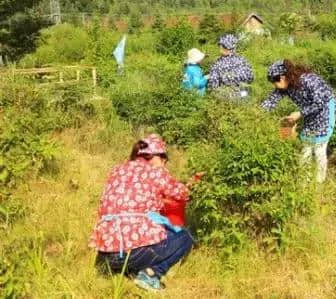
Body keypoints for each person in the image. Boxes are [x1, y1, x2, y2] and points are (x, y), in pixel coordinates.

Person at [90, 134, 194, 291]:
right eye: (164, 160)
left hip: (106, 256)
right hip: (133, 253)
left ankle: (127, 270)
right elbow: (182, 194)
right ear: (155, 156)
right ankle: (151, 275)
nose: (164, 165)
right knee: (184, 237)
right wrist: (191, 186)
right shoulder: (155, 172)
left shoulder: (117, 170)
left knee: (149, 232)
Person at [261, 60, 336, 183]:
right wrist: (257, 114)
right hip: (310, 112)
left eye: (274, 81)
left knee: (319, 149)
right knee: (306, 147)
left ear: (281, 77)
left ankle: (319, 184)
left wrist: (300, 113)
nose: (274, 85)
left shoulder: (308, 80)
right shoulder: (285, 86)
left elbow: (320, 102)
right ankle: (304, 183)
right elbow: (271, 101)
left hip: (325, 110)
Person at [207, 34, 254, 99]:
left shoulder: (218, 63)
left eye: (220, 46)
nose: (219, 48)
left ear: (224, 47)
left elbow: (213, 82)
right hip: (244, 95)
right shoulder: (242, 60)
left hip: (225, 96)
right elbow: (250, 77)